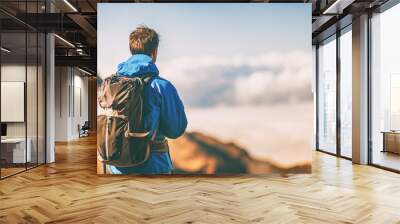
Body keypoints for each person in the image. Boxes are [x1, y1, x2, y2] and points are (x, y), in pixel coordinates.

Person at [108, 26, 187, 174]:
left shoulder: (114, 84)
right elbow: (176, 129)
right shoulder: (161, 86)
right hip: (153, 165)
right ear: (155, 52)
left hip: (116, 163)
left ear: (131, 50)